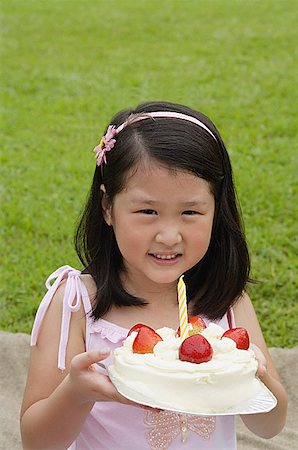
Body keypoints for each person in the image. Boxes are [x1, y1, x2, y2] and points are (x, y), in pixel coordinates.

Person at [20, 101, 287, 450]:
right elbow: (36, 443)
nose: (169, 236)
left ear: (215, 211)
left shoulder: (227, 304)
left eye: (190, 211)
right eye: (148, 211)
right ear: (107, 208)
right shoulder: (77, 302)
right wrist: (76, 391)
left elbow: (271, 425)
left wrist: (255, 372)